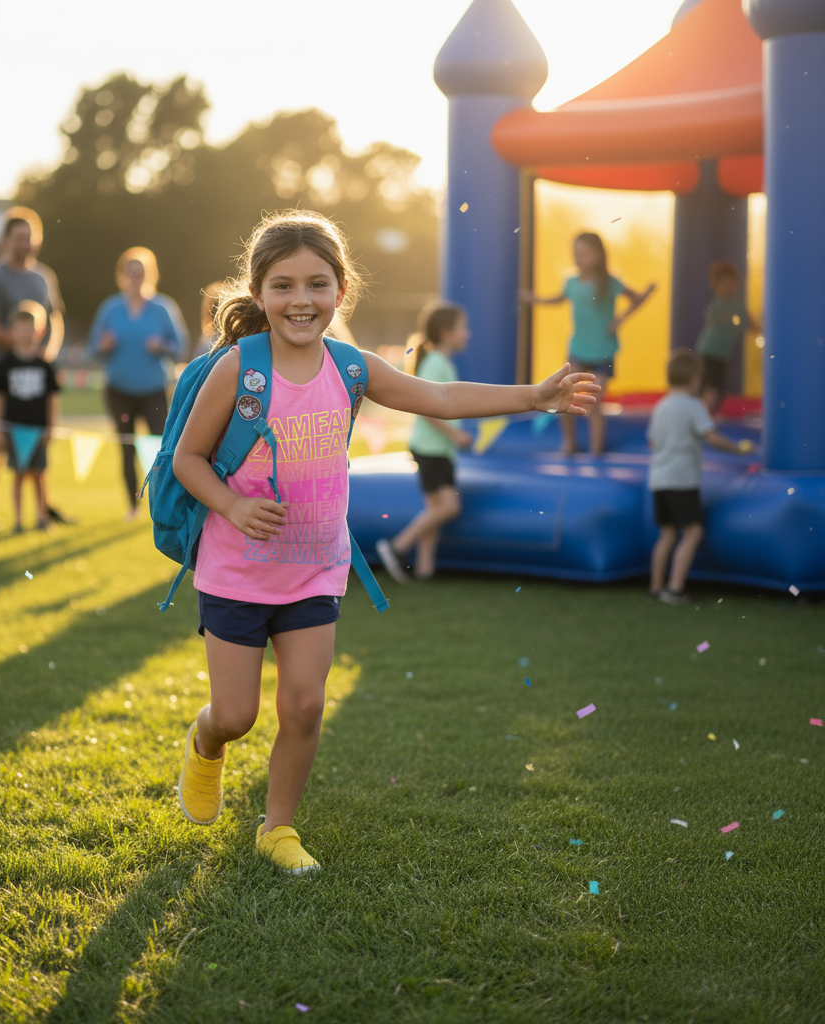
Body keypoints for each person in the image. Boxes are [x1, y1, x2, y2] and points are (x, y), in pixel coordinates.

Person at [172, 210, 600, 874]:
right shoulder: (238, 368)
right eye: (282, 286)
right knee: (236, 714)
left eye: (317, 284)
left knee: (306, 705)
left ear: (340, 292)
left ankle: (277, 828)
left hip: (315, 569)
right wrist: (231, 503)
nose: (300, 300)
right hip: (236, 571)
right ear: (259, 293)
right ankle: (205, 745)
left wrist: (534, 396)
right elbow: (188, 459)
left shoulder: (351, 368)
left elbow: (440, 396)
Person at [0, 207, 72, 530]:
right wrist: (22, 350)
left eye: (30, 237)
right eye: (18, 238)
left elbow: (55, 318)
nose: (24, 243)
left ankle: (44, 509)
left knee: (39, 444)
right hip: (2, 377)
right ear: (5, 241)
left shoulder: (44, 276)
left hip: (38, 378)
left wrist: (45, 354)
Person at [520, 232, 655, 455]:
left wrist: (621, 318)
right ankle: (570, 442)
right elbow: (557, 299)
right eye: (575, 253)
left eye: (583, 254)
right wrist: (534, 299)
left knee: (594, 404)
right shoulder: (571, 282)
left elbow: (636, 299)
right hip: (578, 349)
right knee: (564, 396)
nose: (578, 258)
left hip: (604, 351)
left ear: (598, 256)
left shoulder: (611, 282)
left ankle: (596, 452)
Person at [375, 301, 472, 583]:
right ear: (446, 332)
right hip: (432, 449)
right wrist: (457, 436)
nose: (468, 334)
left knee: (434, 510)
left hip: (437, 449)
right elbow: (426, 407)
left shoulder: (440, 362)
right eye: (463, 328)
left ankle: (425, 569)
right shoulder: (435, 363)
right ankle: (396, 546)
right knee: (448, 507)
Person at [648, 349, 752, 604]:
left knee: (667, 534)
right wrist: (737, 449)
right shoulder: (694, 406)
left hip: (659, 479)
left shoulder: (661, 406)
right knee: (693, 532)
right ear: (695, 380)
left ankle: (656, 586)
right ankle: (674, 589)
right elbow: (712, 436)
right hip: (682, 480)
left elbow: (652, 442)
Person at [88, 248, 185, 520]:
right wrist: (103, 346)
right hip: (118, 391)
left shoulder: (163, 307)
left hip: (154, 390)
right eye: (131, 273)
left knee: (163, 449)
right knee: (127, 449)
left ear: (150, 275)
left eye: (141, 273)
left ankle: (163, 505)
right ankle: (132, 507)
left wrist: (161, 346)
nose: (136, 278)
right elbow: (92, 349)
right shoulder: (110, 308)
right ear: (122, 276)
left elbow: (180, 347)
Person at [0, 302, 60, 533]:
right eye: (20, 328)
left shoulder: (45, 364)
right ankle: (18, 521)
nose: (26, 333)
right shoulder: (5, 364)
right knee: (18, 475)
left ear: (40, 331)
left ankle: (43, 518)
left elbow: (52, 398)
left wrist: (51, 427)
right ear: (12, 331)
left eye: (31, 328)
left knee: (40, 475)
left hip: (39, 431)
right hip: (14, 431)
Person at [697, 260, 760, 415]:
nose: (728, 287)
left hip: (722, 355)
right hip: (708, 351)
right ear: (715, 285)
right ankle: (703, 414)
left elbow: (751, 324)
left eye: (731, 282)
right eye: (723, 283)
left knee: (718, 386)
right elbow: (722, 318)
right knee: (710, 385)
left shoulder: (738, 305)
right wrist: (738, 321)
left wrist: (762, 329)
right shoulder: (717, 304)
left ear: (737, 283)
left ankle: (711, 413)